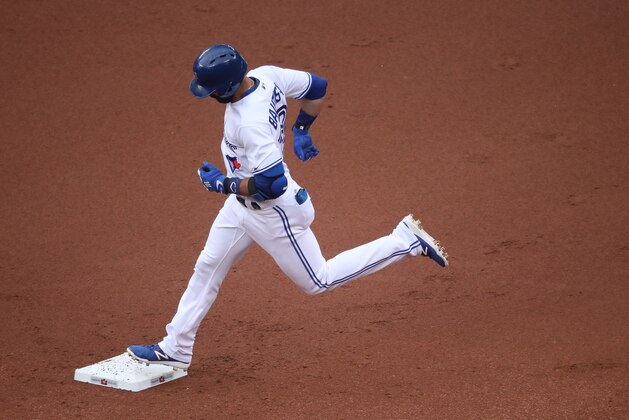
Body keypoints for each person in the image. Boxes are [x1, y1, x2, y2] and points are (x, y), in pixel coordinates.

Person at [127, 44, 448, 370]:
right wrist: (301, 129)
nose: (208, 96)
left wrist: (221, 184)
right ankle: (176, 348)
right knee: (208, 267)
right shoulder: (266, 76)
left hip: (273, 212)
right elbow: (318, 87)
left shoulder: (250, 124)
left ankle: (405, 240)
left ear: (225, 87)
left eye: (211, 90)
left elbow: (272, 184)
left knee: (318, 281)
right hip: (241, 208)